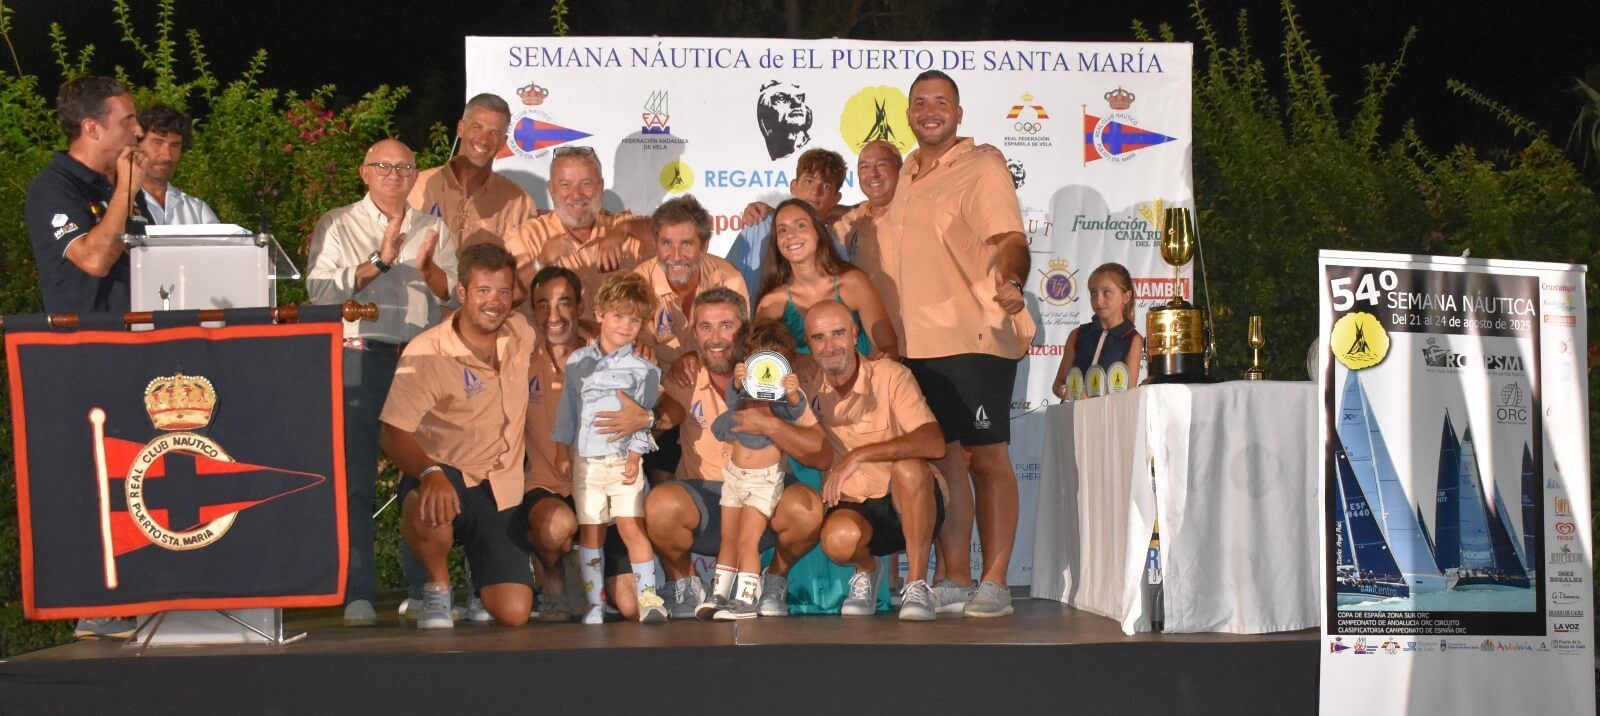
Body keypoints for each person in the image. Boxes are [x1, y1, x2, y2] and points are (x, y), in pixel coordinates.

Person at [878, 70, 1036, 618]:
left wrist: (1013, 281)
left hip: (976, 336)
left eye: (940, 102)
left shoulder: (983, 166)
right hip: (916, 345)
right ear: (909, 115)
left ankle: (995, 583)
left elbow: (1011, 239)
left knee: (987, 458)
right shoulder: (907, 174)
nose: (929, 110)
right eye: (919, 102)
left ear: (959, 113)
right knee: (945, 461)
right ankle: (955, 577)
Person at [306, 138, 457, 626]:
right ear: (363, 172)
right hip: (360, 357)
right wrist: (381, 261)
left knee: (424, 475)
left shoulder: (433, 227)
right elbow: (318, 290)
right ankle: (359, 592)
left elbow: (454, 297)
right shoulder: (338, 223)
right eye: (383, 166)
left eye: (404, 167)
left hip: (419, 362)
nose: (394, 174)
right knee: (357, 480)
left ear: (415, 176)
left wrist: (430, 272)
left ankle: (423, 586)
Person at [633, 288, 830, 619]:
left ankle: (774, 581)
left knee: (807, 510)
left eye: (726, 325)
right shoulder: (685, 373)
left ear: (745, 328)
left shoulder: (779, 376)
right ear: (693, 333)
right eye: (705, 327)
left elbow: (822, 456)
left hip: (765, 493)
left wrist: (772, 426)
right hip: (705, 499)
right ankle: (687, 583)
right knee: (659, 506)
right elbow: (662, 412)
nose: (715, 337)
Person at [379, 243, 535, 629]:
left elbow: (568, 330)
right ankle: (437, 588)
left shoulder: (521, 331)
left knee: (514, 613)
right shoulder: (427, 351)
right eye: (483, 291)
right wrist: (429, 473)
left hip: (500, 488)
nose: (494, 302)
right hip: (444, 475)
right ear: (462, 292)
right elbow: (393, 433)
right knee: (427, 501)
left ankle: (477, 577)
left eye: (502, 291)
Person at [804, 300, 946, 620]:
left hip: (908, 500)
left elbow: (934, 443)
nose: (829, 346)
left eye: (838, 333)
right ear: (809, 344)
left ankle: (917, 584)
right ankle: (868, 570)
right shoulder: (806, 385)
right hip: (855, 503)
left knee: (909, 469)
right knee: (838, 541)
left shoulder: (891, 374)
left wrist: (859, 455)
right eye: (819, 337)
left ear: (855, 334)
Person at [552, 271, 667, 624]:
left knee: (633, 529)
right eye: (619, 316)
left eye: (635, 320)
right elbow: (568, 410)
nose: (626, 326)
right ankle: (595, 603)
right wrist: (561, 451)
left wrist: (635, 457)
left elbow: (645, 417)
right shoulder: (576, 362)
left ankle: (650, 599)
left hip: (624, 463)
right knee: (591, 532)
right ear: (599, 313)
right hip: (587, 464)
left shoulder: (645, 368)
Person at [629, 195, 747, 482]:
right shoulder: (639, 281)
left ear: (704, 246)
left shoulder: (728, 278)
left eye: (686, 243)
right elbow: (631, 335)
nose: (676, 254)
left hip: (712, 384)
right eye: (667, 243)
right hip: (660, 390)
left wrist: (695, 357)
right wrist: (639, 345)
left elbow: (739, 346)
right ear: (655, 244)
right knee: (658, 479)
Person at [700, 319, 808, 620]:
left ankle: (747, 598)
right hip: (734, 477)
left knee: (749, 540)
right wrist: (736, 382)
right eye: (756, 360)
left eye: (772, 362)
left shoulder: (780, 402)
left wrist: (794, 393)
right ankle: (719, 593)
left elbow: (796, 411)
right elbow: (730, 404)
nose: (764, 370)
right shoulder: (743, 397)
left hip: (763, 481)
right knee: (728, 538)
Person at [24, 75, 150, 317]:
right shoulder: (53, 187)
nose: (139, 130)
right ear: (92, 128)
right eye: (127, 121)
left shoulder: (123, 181)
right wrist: (126, 190)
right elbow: (95, 260)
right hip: (86, 344)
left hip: (136, 338)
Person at [409, 93, 537, 301]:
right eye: (477, 127)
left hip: (484, 320)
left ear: (503, 142)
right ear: (461, 128)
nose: (484, 139)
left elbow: (520, 280)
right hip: (419, 314)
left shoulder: (518, 202)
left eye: (494, 132)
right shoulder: (417, 186)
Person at [754, 198, 897, 360]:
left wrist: (868, 377)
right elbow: (762, 364)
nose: (790, 235)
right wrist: (799, 363)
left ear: (818, 233)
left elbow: (889, 348)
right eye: (782, 230)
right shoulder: (771, 303)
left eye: (800, 226)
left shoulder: (853, 284)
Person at [517, 145, 652, 311]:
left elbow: (672, 232)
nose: (576, 194)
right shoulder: (530, 234)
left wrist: (625, 228)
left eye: (586, 184)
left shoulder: (622, 226)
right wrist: (540, 263)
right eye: (566, 185)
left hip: (620, 336)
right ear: (551, 190)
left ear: (601, 187)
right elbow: (508, 295)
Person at [724, 148, 850, 298]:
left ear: (836, 198)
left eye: (826, 186)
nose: (815, 191)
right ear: (794, 187)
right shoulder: (760, 224)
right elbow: (727, 283)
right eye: (809, 181)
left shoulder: (837, 246)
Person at [1051, 263, 1144, 398]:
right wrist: (1066, 391)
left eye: (1107, 293)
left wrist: (1098, 399)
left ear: (1126, 296)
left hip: (1108, 416)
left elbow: (1128, 393)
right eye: (1094, 293)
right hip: (1073, 413)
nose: (1098, 300)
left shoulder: (1132, 339)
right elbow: (1058, 383)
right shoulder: (1077, 334)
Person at [135, 104, 220, 225]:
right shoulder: (117, 205)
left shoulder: (197, 211)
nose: (167, 155)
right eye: (157, 142)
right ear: (136, 144)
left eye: (175, 145)